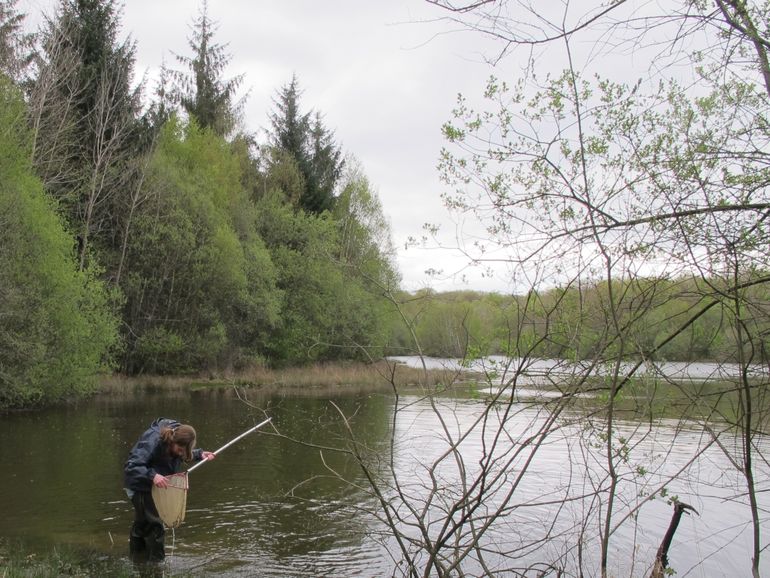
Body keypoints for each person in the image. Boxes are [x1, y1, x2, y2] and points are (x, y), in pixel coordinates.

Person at [124, 417, 215, 561]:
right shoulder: (153, 439)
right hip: (140, 486)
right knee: (155, 525)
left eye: (184, 451)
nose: (181, 453)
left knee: (142, 524)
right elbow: (132, 465)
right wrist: (153, 475)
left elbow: (178, 455)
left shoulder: (177, 440)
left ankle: (137, 562)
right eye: (179, 449)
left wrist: (198, 454)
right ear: (172, 441)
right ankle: (157, 566)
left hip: (153, 486)